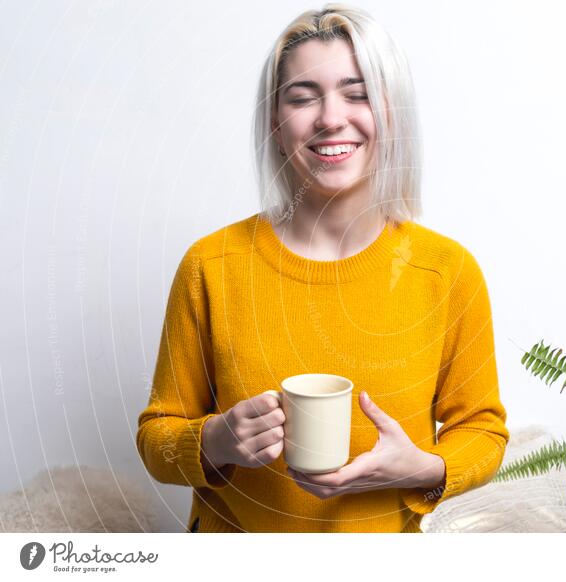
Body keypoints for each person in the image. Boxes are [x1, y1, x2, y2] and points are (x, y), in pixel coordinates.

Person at [136, 3, 509, 533]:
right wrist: (217, 439)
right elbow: (155, 438)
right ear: (276, 120)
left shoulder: (447, 272)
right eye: (303, 97)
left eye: (356, 94)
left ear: (391, 112)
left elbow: (484, 430)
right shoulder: (210, 266)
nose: (331, 117)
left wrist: (423, 468)